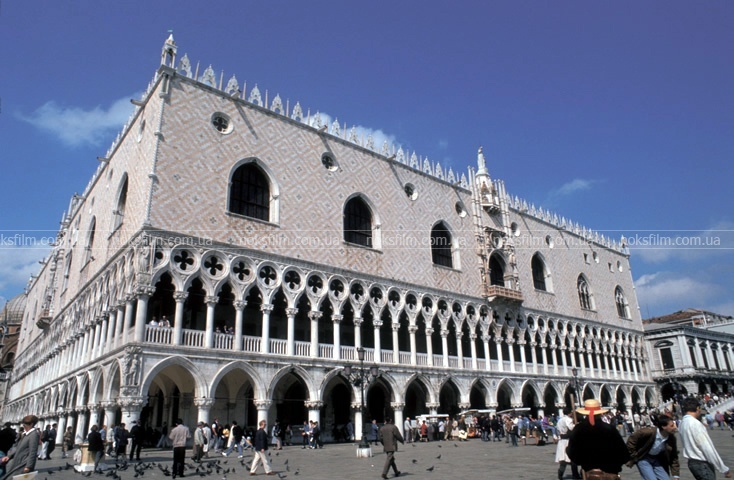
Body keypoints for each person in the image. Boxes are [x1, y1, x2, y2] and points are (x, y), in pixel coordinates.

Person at [566, 399, 630, 480]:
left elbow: (572, 452)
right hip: (611, 471)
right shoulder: (610, 429)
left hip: (589, 472)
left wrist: (583, 461)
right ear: (600, 413)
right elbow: (623, 452)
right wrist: (616, 464)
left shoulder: (579, 429)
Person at [678, 397, 731, 479]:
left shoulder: (682, 423)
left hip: (692, 463)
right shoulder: (695, 424)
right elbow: (707, 448)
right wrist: (723, 468)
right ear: (697, 408)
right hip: (702, 463)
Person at [626, 413, 680, 480]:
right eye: (672, 426)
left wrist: (676, 475)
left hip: (656, 459)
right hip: (643, 458)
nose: (675, 427)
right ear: (663, 427)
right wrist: (634, 455)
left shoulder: (671, 438)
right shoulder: (648, 432)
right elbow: (632, 440)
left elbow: (673, 456)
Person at [0, 414, 40, 480]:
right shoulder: (25, 434)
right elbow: (17, 447)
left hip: (23, 463)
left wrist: (29, 466)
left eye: (25, 424)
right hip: (17, 461)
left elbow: (33, 452)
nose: (24, 426)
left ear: (31, 424)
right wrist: (9, 456)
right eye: (23, 424)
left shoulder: (33, 435)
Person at [555, 407, 580, 480]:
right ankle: (575, 475)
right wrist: (576, 425)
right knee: (572, 458)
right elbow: (572, 428)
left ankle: (560, 474)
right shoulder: (568, 419)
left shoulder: (560, 420)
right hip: (568, 440)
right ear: (569, 413)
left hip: (562, 441)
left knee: (563, 459)